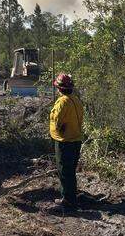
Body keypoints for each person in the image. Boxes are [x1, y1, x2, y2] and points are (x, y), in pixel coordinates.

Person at [50, 73, 84, 212]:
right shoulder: (76, 100)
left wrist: (58, 129)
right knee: (70, 171)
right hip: (75, 139)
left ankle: (68, 200)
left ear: (59, 88)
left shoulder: (63, 102)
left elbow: (57, 120)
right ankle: (70, 197)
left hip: (65, 141)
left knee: (64, 171)